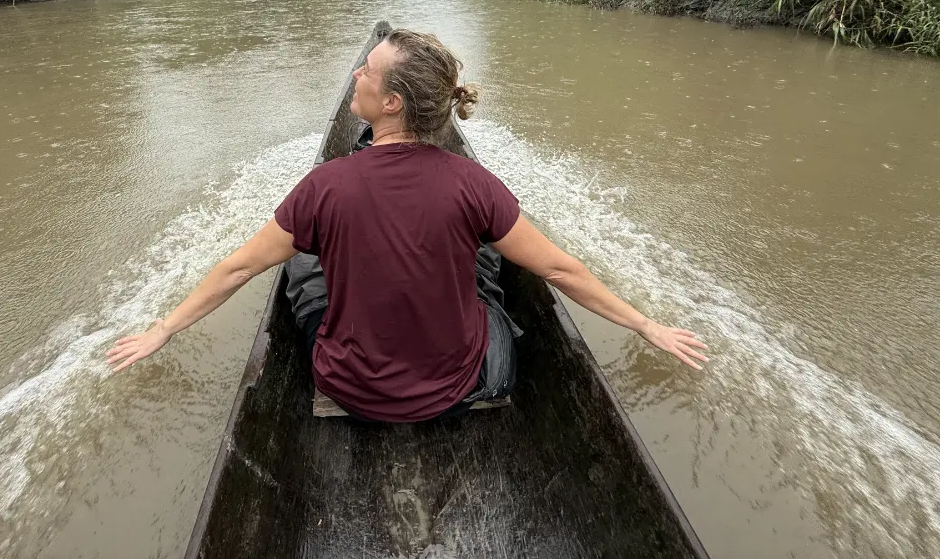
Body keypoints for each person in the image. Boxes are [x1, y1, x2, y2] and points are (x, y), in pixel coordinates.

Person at [106, 30, 708, 422]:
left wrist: (163, 329)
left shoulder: (324, 186)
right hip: (454, 391)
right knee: (490, 264)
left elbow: (239, 266)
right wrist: (646, 325)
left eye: (364, 71)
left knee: (298, 261)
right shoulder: (473, 185)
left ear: (391, 103)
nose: (355, 77)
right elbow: (557, 268)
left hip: (350, 390)